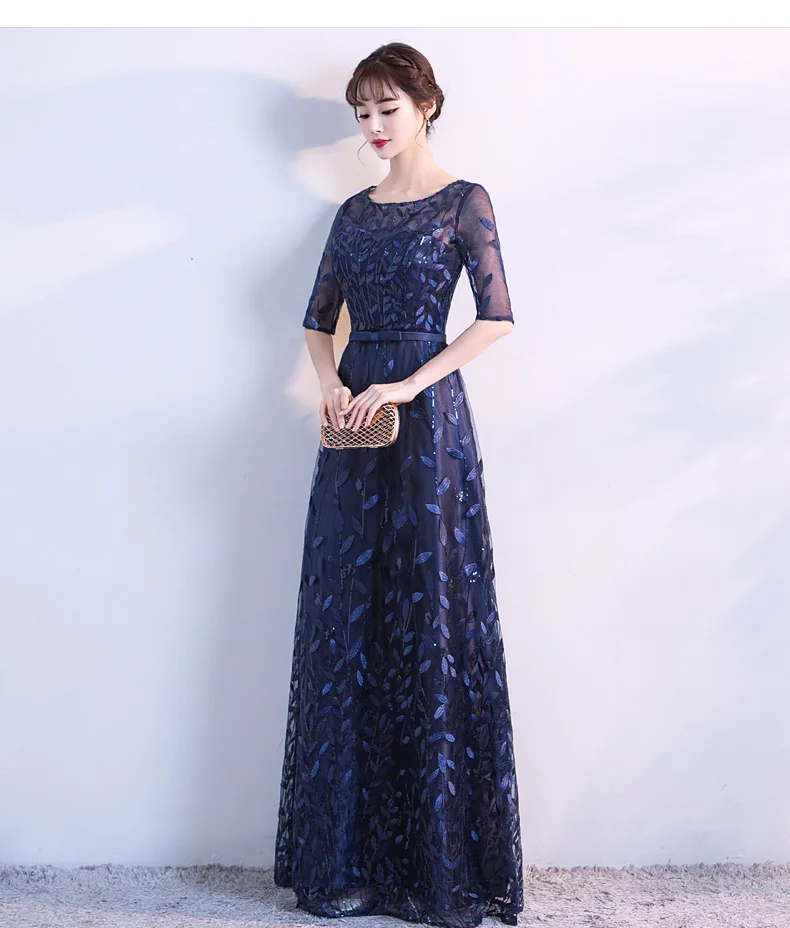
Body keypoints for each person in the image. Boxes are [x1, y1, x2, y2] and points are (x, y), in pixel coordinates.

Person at [274, 41, 524, 928]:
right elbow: (317, 321)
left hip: (427, 429)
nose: (373, 126)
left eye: (387, 108)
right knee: (349, 617)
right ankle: (346, 863)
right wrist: (332, 385)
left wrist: (409, 384)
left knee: (431, 614)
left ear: (426, 105)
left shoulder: (465, 202)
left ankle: (434, 865)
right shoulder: (351, 214)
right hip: (354, 431)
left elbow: (496, 317)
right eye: (362, 113)